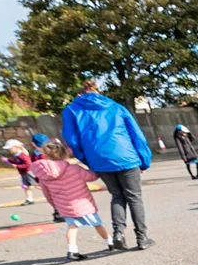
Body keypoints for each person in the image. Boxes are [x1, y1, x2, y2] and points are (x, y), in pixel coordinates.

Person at [61, 80, 154, 251]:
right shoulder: (115, 106)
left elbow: (72, 139)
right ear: (97, 92)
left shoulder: (72, 110)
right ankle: (142, 237)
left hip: (99, 159)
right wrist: (144, 159)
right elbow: (136, 134)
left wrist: (87, 159)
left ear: (79, 94)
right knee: (134, 197)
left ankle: (118, 233)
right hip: (125, 155)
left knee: (117, 196)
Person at [30, 140, 114, 261]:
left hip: (64, 206)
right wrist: (89, 165)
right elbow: (92, 177)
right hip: (82, 203)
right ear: (64, 153)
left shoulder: (43, 175)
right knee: (97, 224)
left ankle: (72, 250)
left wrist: (56, 206)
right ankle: (110, 242)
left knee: (72, 227)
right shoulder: (74, 168)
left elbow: (47, 193)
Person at [0, 139, 36, 205]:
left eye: (10, 148)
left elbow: (28, 164)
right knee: (25, 186)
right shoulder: (16, 155)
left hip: (28, 173)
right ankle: (29, 199)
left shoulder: (22, 155)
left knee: (37, 185)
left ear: (16, 147)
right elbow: (15, 163)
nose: (9, 150)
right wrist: (7, 160)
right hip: (23, 173)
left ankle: (52, 194)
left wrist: (18, 166)